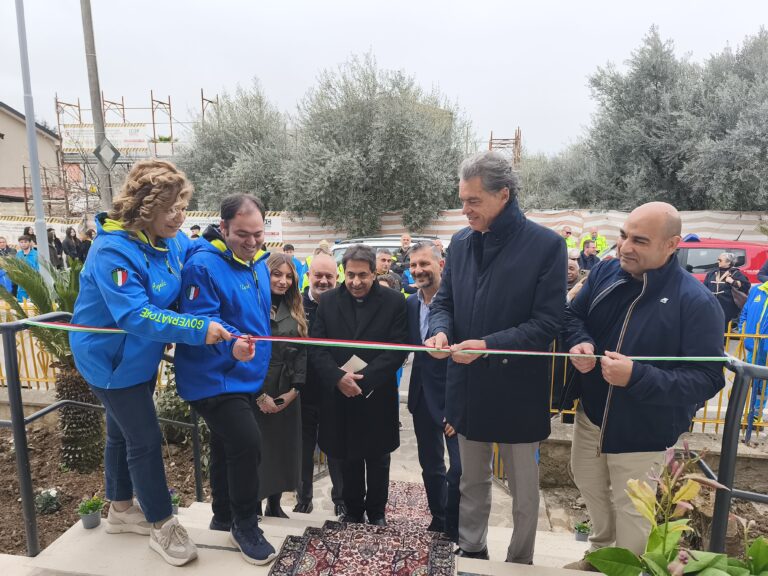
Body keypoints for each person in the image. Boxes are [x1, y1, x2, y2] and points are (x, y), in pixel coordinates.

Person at [69, 159, 232, 567]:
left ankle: (121, 509)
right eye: (172, 208)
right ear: (146, 209)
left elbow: (193, 251)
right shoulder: (112, 251)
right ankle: (163, 525)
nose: (180, 216)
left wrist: (226, 244)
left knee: (121, 433)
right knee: (143, 438)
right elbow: (135, 316)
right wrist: (198, 329)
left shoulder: (169, 238)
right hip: (109, 362)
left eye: (183, 206)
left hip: (138, 357)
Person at [562, 202, 725, 570]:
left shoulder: (696, 302)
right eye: (623, 236)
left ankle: (629, 566)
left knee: (633, 510)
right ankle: (600, 555)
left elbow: (709, 378)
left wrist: (636, 377)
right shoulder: (606, 271)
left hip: (643, 430)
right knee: (588, 482)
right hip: (590, 415)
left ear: (672, 245)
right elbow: (572, 316)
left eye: (639, 240)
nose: (625, 247)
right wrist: (580, 342)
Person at [427, 151, 567, 564]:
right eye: (462, 200)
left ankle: (520, 560)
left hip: (517, 387)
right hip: (468, 385)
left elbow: (547, 324)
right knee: (471, 479)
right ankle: (472, 550)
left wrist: (486, 346)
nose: (464, 210)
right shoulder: (461, 242)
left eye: (473, 201)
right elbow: (444, 302)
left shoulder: (546, 246)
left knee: (524, 488)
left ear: (503, 194)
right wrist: (439, 330)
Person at [174, 194, 277, 565]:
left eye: (258, 234)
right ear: (223, 227)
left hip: (244, 375)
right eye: (242, 235)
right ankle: (246, 524)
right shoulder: (202, 266)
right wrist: (231, 345)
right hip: (211, 377)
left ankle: (223, 515)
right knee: (247, 442)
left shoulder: (258, 262)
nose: (251, 243)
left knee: (225, 444)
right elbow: (202, 319)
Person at [310, 244, 408, 525]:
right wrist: (338, 377)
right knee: (346, 457)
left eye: (362, 275)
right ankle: (352, 511)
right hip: (339, 394)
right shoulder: (327, 302)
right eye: (350, 274)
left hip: (376, 395)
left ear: (374, 272)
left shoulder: (394, 301)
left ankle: (377, 512)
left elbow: (398, 349)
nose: (355, 281)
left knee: (378, 459)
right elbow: (317, 347)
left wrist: (362, 382)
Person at [407, 241, 461, 542]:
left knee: (460, 470)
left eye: (424, 264)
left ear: (441, 265)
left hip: (453, 401)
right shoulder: (409, 304)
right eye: (414, 265)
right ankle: (438, 520)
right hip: (421, 398)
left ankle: (456, 527)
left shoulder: (458, 303)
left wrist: (459, 407)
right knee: (431, 465)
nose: (418, 270)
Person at [253, 253, 307, 519]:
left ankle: (274, 504)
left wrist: (294, 390)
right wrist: (258, 394)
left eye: (288, 276)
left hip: (285, 387)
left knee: (282, 448)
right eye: (277, 274)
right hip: (256, 386)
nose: (283, 281)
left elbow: (302, 352)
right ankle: (251, 504)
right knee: (256, 448)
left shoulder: (295, 308)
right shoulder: (253, 304)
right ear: (266, 274)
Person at [294, 252, 346, 517]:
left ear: (337, 278)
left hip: (333, 391)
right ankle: (303, 498)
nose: (323, 281)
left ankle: (341, 499)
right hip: (301, 392)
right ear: (309, 276)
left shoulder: (344, 305)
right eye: (318, 275)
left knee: (335, 447)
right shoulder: (295, 305)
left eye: (329, 276)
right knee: (303, 450)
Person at [704, 252, 750, 332]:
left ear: (728, 262)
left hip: (728, 307)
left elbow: (746, 286)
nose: (718, 261)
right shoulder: (712, 273)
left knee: (724, 328)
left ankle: (724, 343)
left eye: (720, 260)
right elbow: (704, 288)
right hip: (713, 305)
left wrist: (733, 282)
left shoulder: (736, 273)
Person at [15, 235, 39, 302]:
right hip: (22, 283)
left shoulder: (36, 254)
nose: (23, 244)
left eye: (25, 242)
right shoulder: (18, 254)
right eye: (21, 242)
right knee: (21, 302)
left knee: (35, 302)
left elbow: (39, 269)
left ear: (30, 242)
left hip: (34, 282)